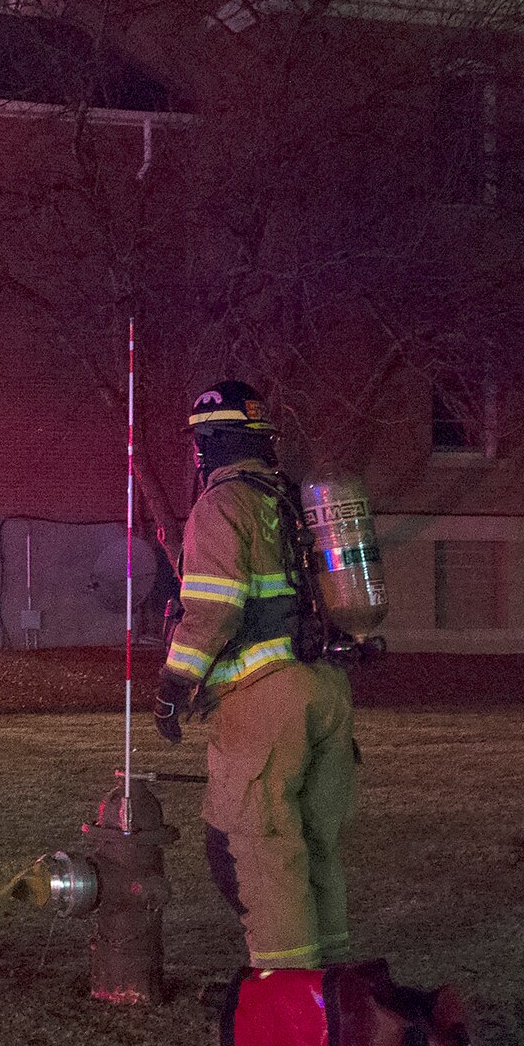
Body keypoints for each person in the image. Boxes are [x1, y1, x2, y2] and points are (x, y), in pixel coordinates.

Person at [154, 380, 355, 971]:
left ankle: (291, 998)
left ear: (211, 443)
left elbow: (215, 607)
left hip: (266, 699)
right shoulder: (291, 501)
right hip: (327, 689)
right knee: (316, 845)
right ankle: (337, 984)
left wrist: (174, 683)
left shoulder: (222, 506)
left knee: (259, 850)